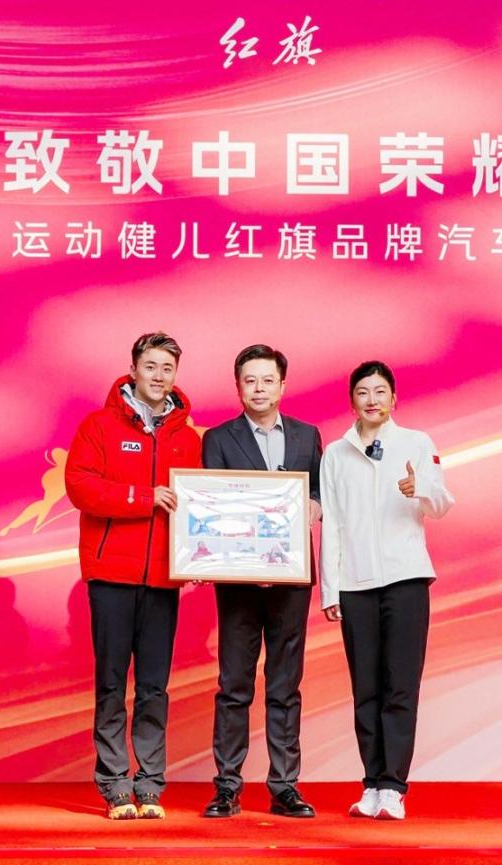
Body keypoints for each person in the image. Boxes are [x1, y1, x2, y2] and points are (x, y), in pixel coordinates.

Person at [65, 332, 202, 821]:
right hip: (111, 575)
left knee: (153, 687)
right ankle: (115, 785)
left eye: (167, 368)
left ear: (175, 374)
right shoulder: (98, 426)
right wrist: (144, 498)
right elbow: (80, 486)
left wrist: (204, 558)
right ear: (133, 369)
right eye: (150, 366)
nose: (159, 376)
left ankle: (150, 786)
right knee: (110, 683)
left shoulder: (189, 439)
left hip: (164, 579)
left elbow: (201, 506)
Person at [320, 360, 453, 820]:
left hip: (406, 579)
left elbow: (442, 504)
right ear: (352, 401)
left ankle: (393, 786)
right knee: (366, 688)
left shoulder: (416, 443)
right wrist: (331, 591)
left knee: (400, 685)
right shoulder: (336, 454)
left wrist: (421, 488)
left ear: (394, 399)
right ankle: (371, 784)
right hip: (356, 584)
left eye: (380, 392)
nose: (372, 400)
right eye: (363, 392)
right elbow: (332, 525)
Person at [199, 344, 322, 819]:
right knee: (234, 684)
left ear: (282, 386)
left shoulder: (307, 436)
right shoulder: (218, 438)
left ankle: (284, 786)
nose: (259, 388)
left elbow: (318, 489)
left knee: (285, 685)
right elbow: (210, 501)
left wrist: (314, 506)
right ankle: (227, 787)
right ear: (238, 387)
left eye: (267, 380)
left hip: (292, 578)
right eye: (249, 380)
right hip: (238, 581)